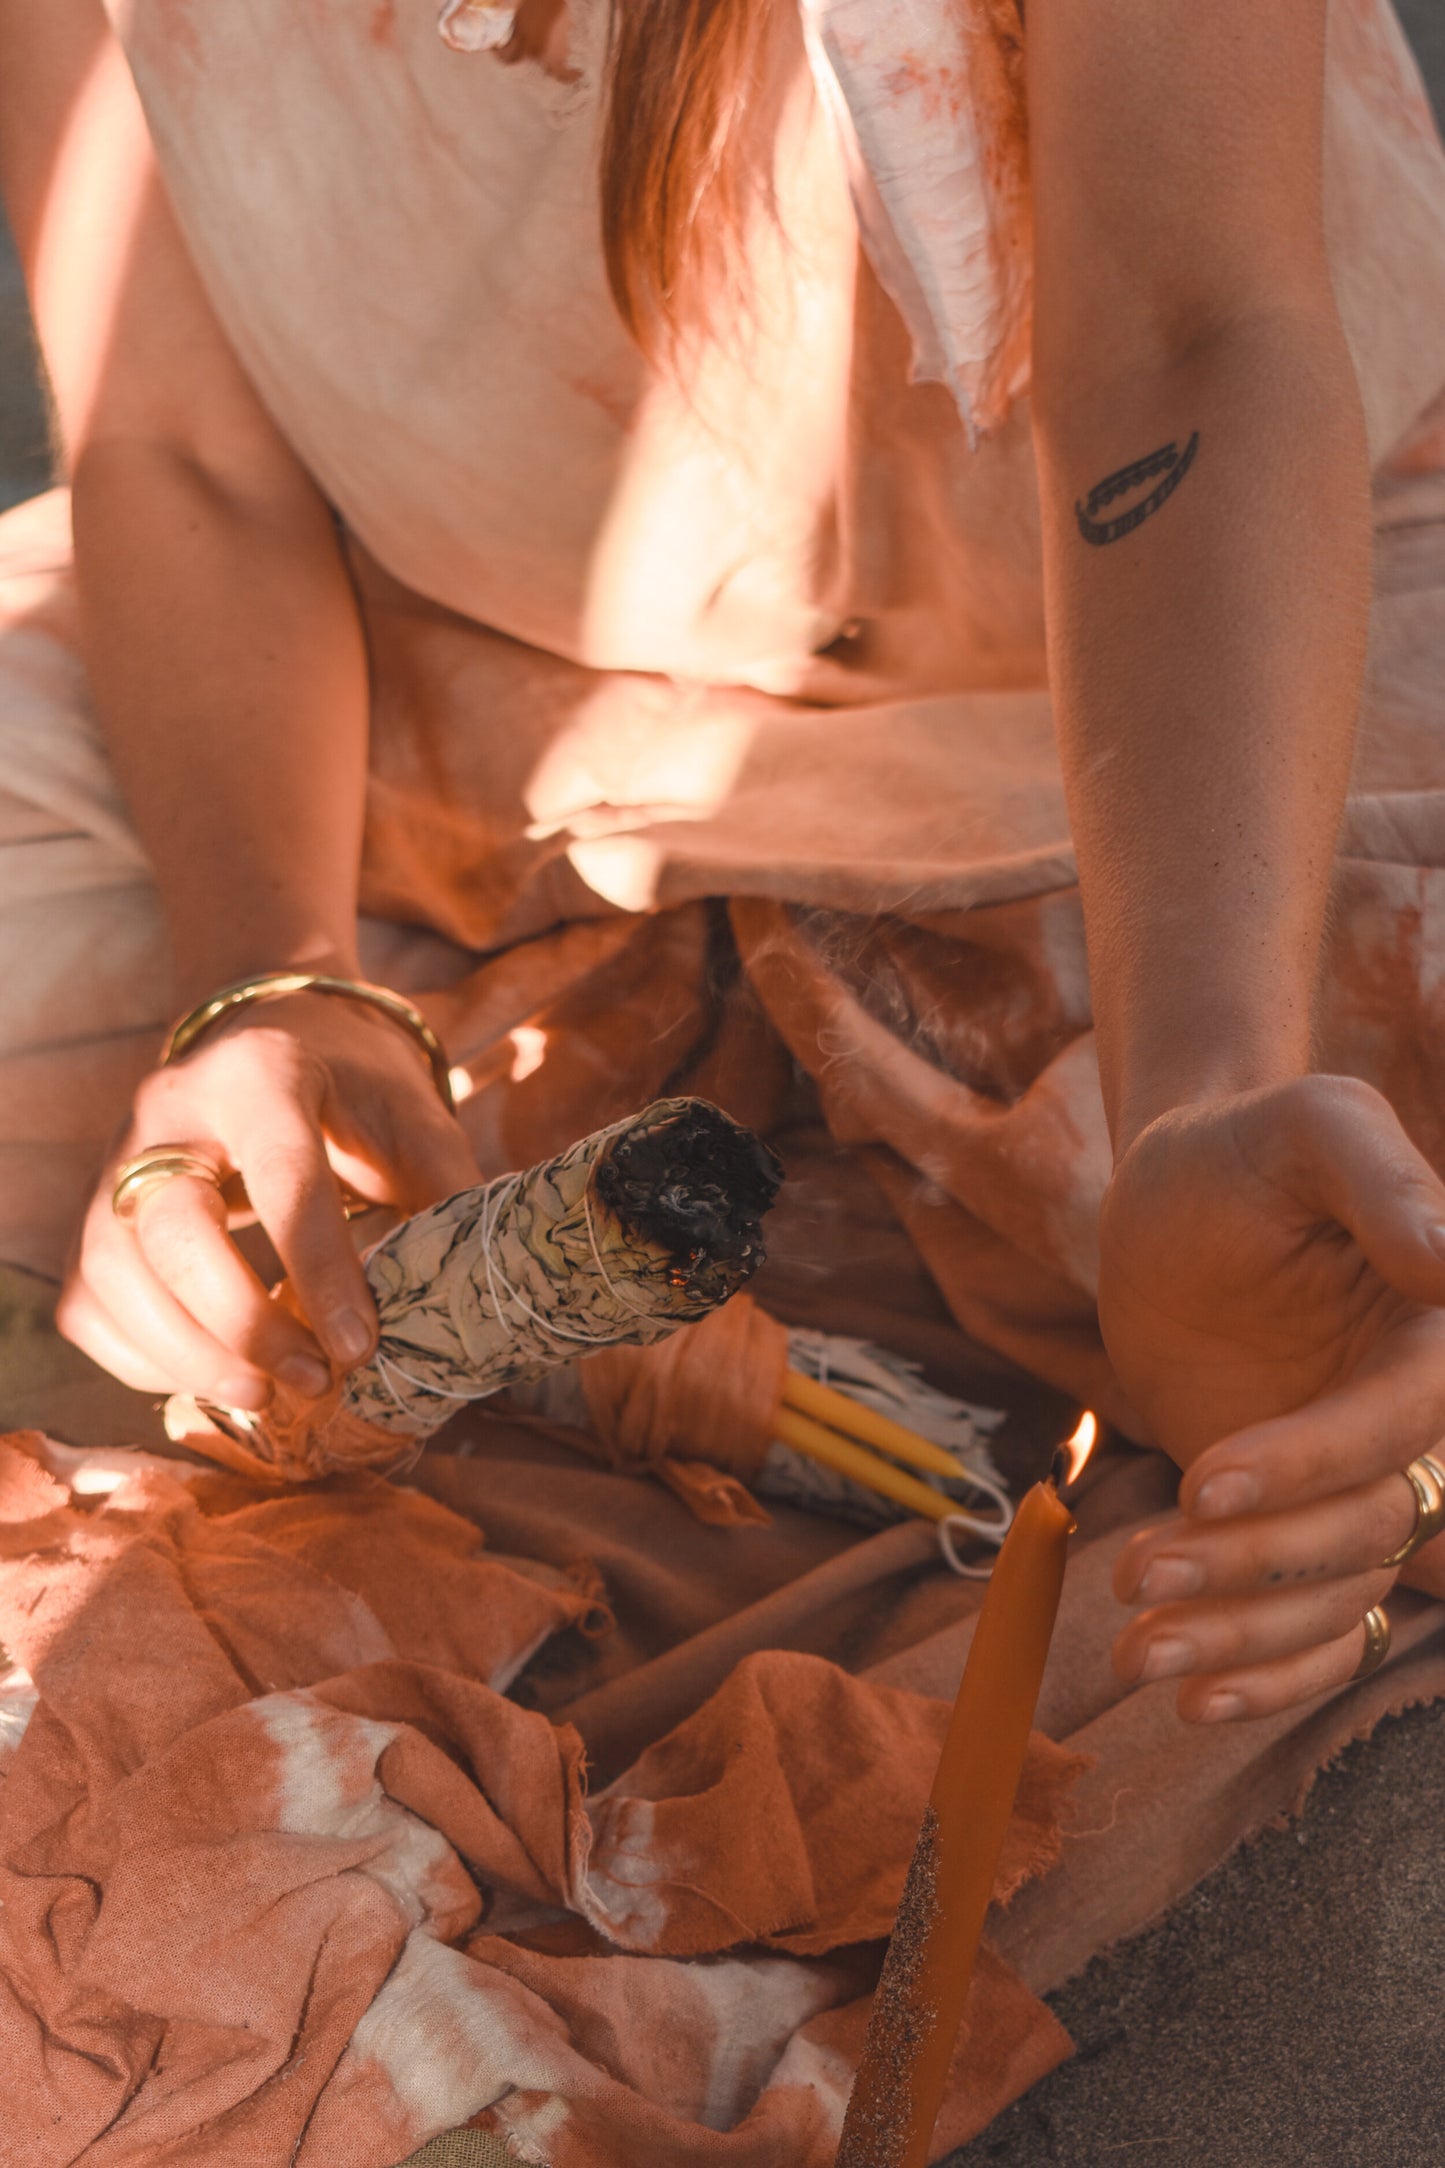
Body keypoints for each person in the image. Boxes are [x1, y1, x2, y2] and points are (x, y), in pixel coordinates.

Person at [1, 0, 1444, 1742]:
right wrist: (268, 982)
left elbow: (1187, 335)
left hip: (1186, 681)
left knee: (1339, 1227)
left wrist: (1197, 1094)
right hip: (510, 687)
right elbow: (181, 451)